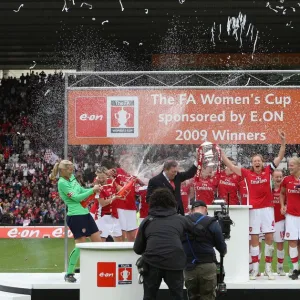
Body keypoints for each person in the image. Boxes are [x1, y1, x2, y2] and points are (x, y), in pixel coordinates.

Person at [220, 129, 286, 280]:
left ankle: (268, 268)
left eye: (259, 161)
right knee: (254, 240)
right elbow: (230, 166)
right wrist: (222, 154)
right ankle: (255, 269)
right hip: (253, 210)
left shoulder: (269, 170)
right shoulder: (246, 173)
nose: (257, 162)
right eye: (255, 161)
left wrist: (282, 142)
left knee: (269, 238)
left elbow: (280, 156)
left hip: (267, 210)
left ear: (262, 163)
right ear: (252, 163)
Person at [134, 188, 193, 300]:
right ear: (172, 202)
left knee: (149, 296)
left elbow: (137, 248)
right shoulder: (181, 219)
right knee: (177, 297)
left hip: (152, 262)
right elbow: (197, 232)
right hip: (175, 261)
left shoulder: (147, 221)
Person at [50, 160, 102, 283]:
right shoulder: (62, 183)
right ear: (62, 170)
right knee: (80, 246)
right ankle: (69, 273)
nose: (72, 170)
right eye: (69, 169)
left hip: (85, 213)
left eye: (72, 168)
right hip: (75, 216)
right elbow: (77, 198)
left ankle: (97, 269)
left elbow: (81, 190)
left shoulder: (72, 178)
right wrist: (92, 191)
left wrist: (92, 189)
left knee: (98, 243)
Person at [182, 200, 227, 300]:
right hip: (207, 265)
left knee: (192, 297)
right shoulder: (212, 222)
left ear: (191, 210)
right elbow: (221, 247)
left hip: (189, 267)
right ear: (205, 209)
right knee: (208, 297)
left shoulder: (183, 222)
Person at [91, 167, 125, 242]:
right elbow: (103, 203)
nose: (101, 179)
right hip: (102, 217)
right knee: (101, 242)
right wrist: (115, 197)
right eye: (99, 177)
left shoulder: (111, 182)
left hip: (113, 215)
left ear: (106, 176)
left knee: (119, 240)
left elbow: (121, 190)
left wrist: (120, 196)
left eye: (103, 177)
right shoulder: (97, 188)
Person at [280, 157, 300, 279]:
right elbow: (282, 193)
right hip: (291, 216)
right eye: (289, 165)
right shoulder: (286, 180)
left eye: (292, 165)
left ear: (299, 166)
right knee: (292, 241)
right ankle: (295, 269)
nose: (290, 167)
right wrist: (283, 206)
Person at [272, 169, 285, 276]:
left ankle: (280, 267)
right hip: (269, 221)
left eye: (280, 177)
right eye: (276, 177)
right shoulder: (269, 189)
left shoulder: (284, 190)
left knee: (280, 244)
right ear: (272, 177)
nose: (279, 179)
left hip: (280, 220)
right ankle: (268, 267)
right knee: (268, 244)